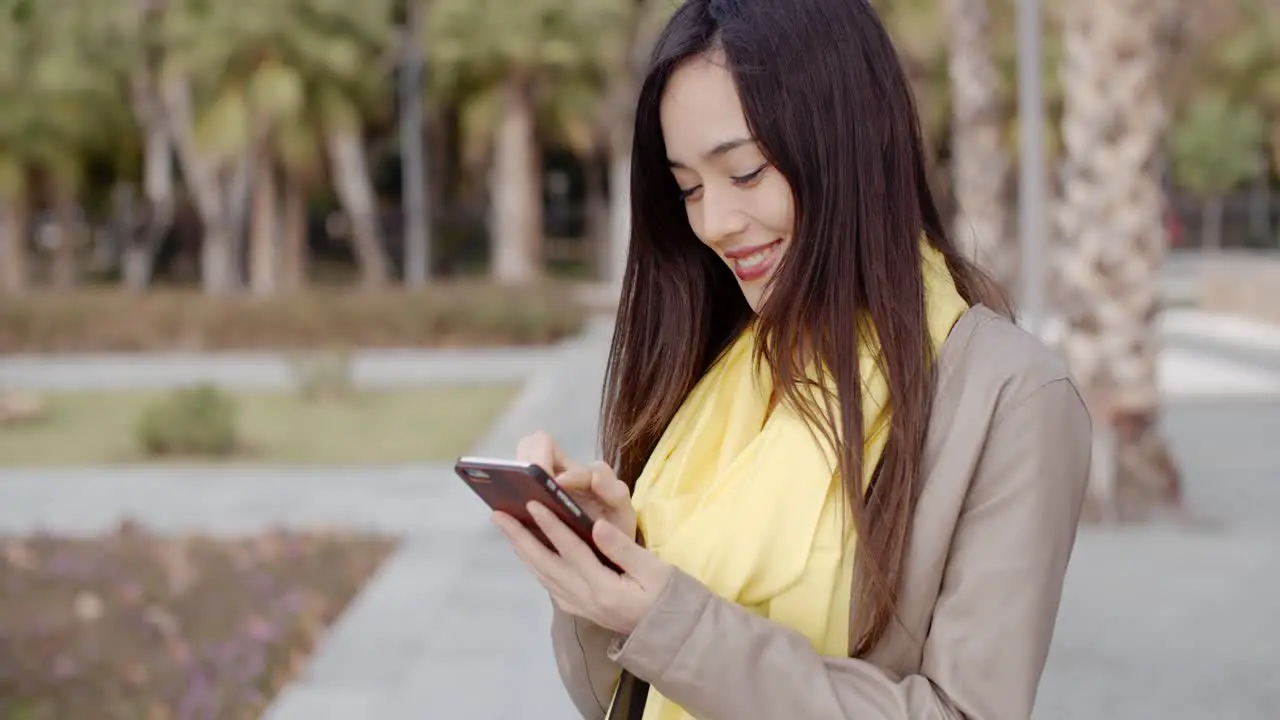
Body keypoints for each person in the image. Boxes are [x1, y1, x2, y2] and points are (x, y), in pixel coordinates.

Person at [489, 0, 1093, 717]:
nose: (713, 222)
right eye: (688, 188)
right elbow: (610, 705)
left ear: (849, 147)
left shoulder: (1011, 397)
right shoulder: (715, 373)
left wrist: (673, 623)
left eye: (743, 173)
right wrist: (602, 574)